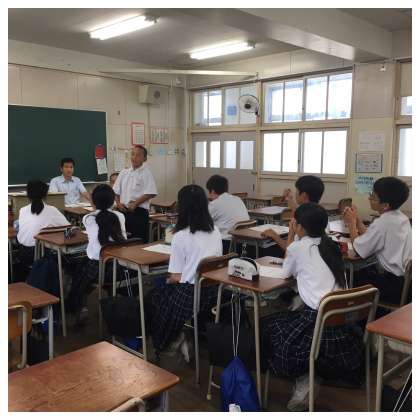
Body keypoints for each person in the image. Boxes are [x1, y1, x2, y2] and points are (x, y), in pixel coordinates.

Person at [261, 203, 364, 411]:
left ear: (299, 226)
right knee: (292, 312)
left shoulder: (298, 247)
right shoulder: (331, 245)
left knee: (268, 325)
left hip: (316, 325)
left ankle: (304, 376)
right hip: (342, 325)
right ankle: (313, 373)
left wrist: (291, 235)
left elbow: (285, 274)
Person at [145, 184, 223, 360]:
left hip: (191, 295)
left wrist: (167, 281)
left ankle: (170, 342)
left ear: (182, 207)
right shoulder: (215, 230)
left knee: (153, 297)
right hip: (214, 292)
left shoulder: (180, 236)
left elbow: (176, 277)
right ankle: (178, 336)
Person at [343, 177, 411, 304]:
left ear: (385, 205)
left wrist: (351, 223)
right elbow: (371, 236)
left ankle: (358, 312)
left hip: (392, 286)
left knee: (348, 274)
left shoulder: (383, 223)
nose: (369, 198)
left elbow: (358, 249)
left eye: (373, 197)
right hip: (406, 285)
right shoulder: (401, 217)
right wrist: (357, 220)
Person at [66, 184, 126, 318]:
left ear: (93, 201)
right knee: (85, 265)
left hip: (99, 270)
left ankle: (81, 306)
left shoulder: (88, 218)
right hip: (120, 268)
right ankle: (110, 299)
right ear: (113, 200)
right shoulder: (120, 216)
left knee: (79, 269)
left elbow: (94, 246)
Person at [16, 180, 69, 280]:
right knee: (68, 259)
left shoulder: (22, 210)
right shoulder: (52, 210)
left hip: (23, 254)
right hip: (41, 255)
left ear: (28, 194)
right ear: (45, 194)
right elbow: (68, 228)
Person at [262, 175, 325, 252]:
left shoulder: (303, 220)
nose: (295, 193)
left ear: (304, 195)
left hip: (299, 256)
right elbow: (297, 210)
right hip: (314, 254)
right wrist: (290, 198)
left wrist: (274, 235)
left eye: (297, 191)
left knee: (266, 249)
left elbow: (290, 250)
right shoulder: (320, 213)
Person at [113, 146, 157, 242]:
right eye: (133, 154)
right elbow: (115, 191)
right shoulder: (124, 172)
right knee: (123, 240)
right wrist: (118, 204)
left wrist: (135, 204)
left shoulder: (146, 173)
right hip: (123, 212)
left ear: (144, 158)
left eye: (138, 155)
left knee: (138, 241)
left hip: (138, 213)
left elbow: (151, 192)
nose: (134, 157)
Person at [206, 175, 249, 253]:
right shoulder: (238, 199)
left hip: (226, 244)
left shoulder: (215, 204)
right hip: (242, 243)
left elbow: (200, 222)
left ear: (212, 191)